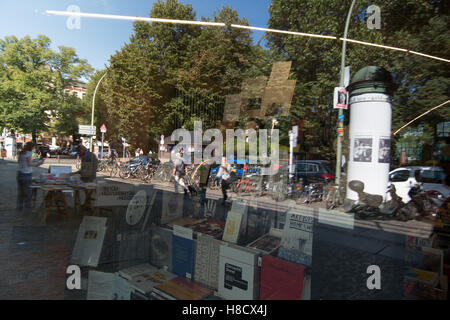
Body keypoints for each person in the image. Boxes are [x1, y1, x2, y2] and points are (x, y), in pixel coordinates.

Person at [17, 142, 44, 213]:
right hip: (26, 174)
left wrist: (34, 161)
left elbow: (20, 162)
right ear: (31, 147)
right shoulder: (28, 153)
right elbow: (30, 164)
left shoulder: (22, 152)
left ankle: (19, 207)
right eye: (34, 147)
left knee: (21, 192)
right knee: (28, 193)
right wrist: (38, 163)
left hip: (20, 173)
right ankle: (28, 209)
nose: (34, 149)